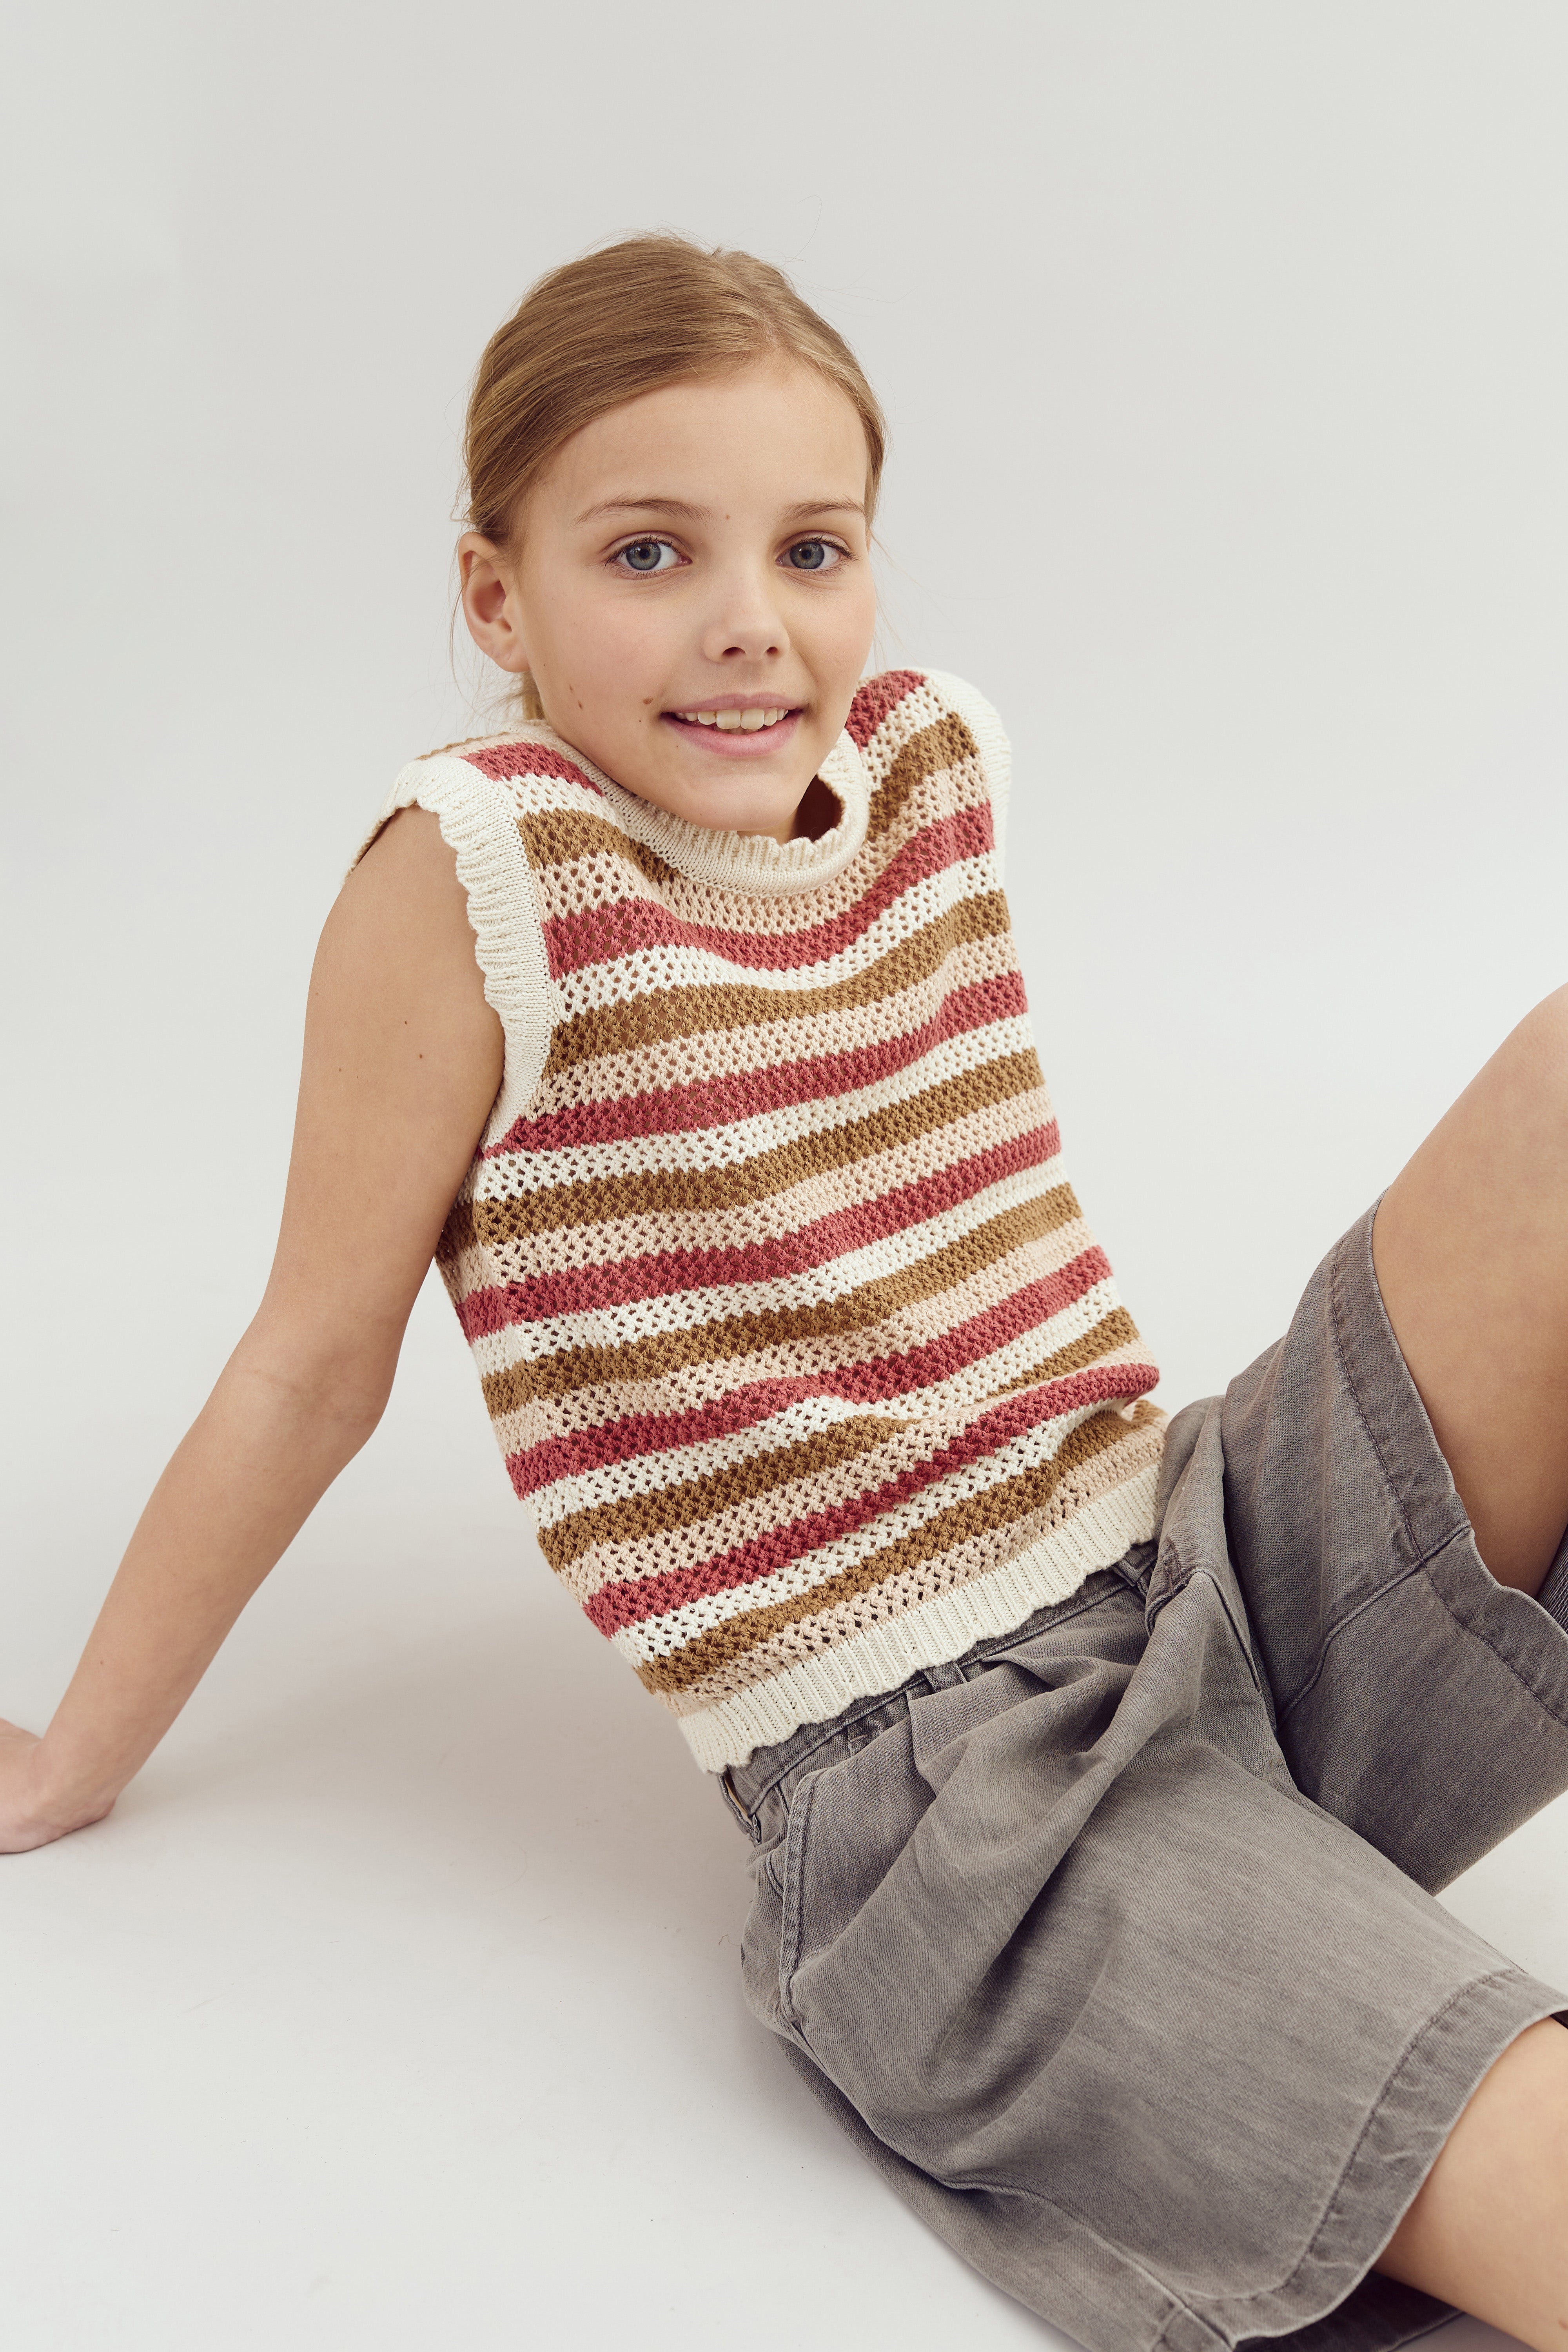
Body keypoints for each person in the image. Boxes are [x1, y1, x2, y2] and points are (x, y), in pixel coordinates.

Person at [2, 234, 1566, 2352]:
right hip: (950, 1799)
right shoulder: (476, 878)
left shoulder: (935, 763)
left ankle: (1271, 1835)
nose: (754, 626)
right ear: (497, 597)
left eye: (814, 548)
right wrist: (80, 1752)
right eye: (649, 552)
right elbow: (309, 1361)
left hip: (1199, 1557)